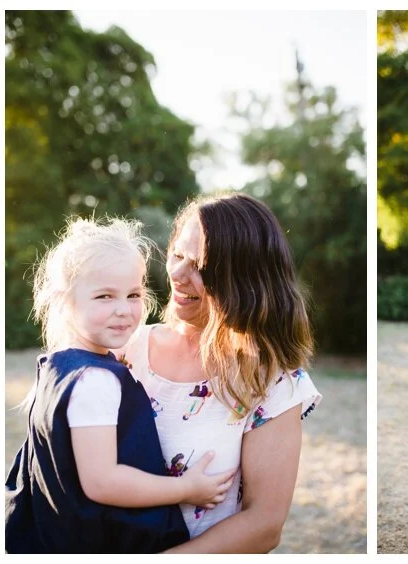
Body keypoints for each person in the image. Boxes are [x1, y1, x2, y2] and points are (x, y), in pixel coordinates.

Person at [4, 217, 234, 553]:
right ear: (66, 301)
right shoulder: (95, 381)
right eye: (104, 296)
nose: (124, 310)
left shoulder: (57, 365)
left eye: (133, 294)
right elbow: (102, 482)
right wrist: (186, 488)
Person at [118, 193, 321, 552]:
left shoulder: (273, 382)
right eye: (177, 254)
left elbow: (265, 524)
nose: (178, 274)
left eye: (200, 266)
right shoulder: (123, 350)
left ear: (243, 280)